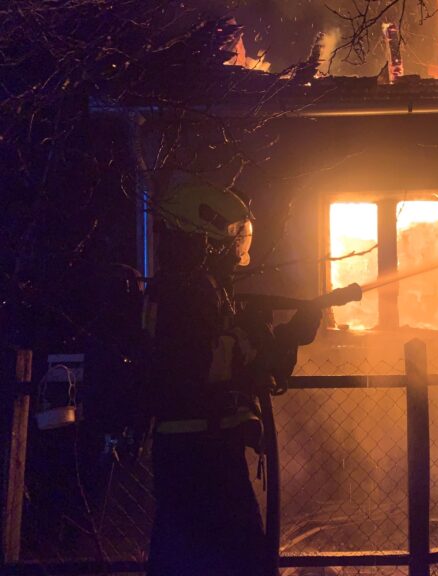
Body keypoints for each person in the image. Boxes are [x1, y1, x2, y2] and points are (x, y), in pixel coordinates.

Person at [143, 181, 320, 576]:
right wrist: (286, 336)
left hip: (190, 448)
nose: (237, 249)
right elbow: (234, 367)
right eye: (233, 236)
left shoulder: (182, 290)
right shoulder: (192, 296)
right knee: (241, 561)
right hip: (204, 454)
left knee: (181, 557)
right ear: (204, 237)